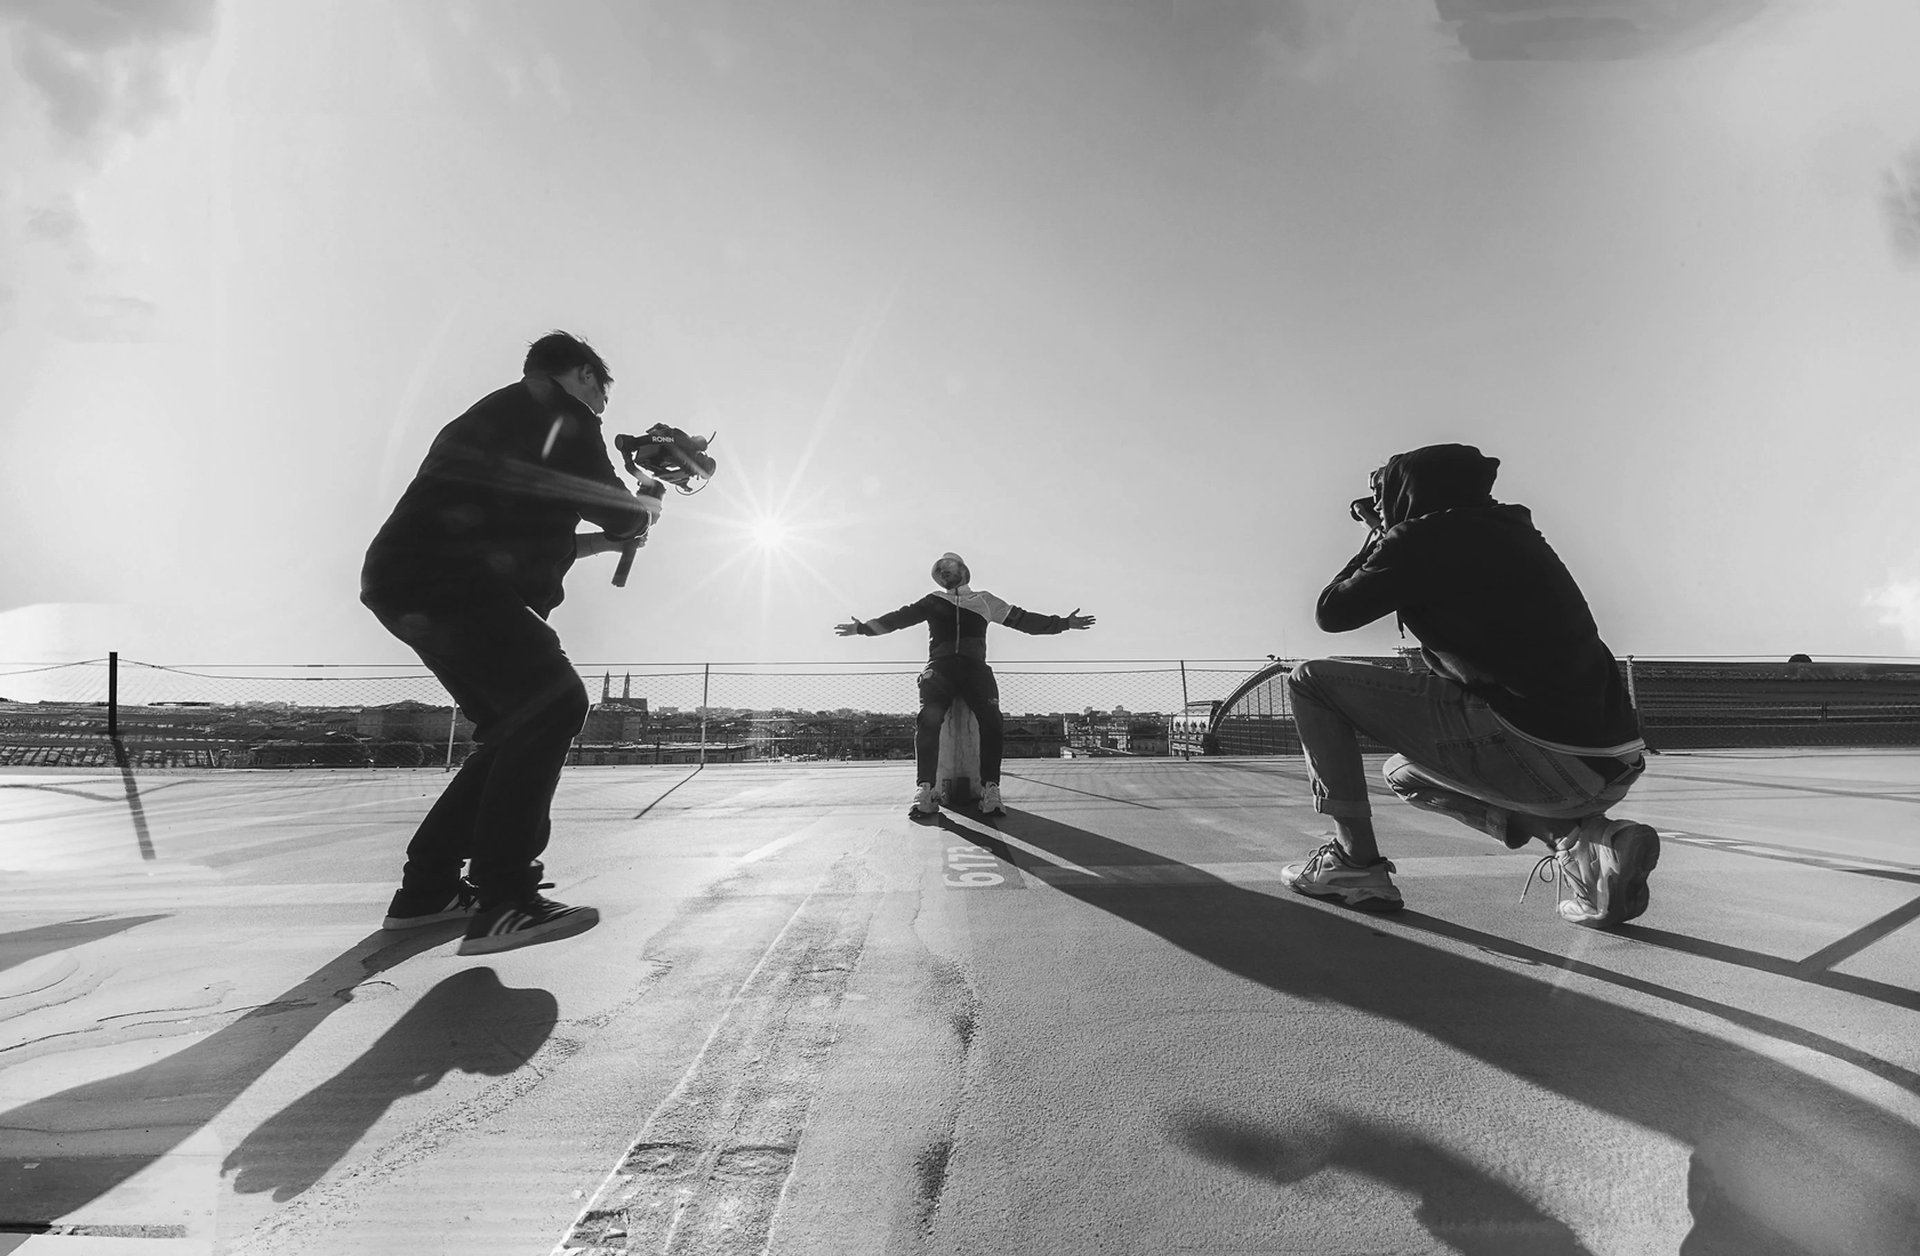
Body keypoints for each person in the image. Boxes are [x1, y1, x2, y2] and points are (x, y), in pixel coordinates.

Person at [361, 331, 657, 955]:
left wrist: (608, 539)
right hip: (450, 582)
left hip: (411, 580)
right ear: (581, 375)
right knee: (554, 702)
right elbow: (613, 508)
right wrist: (641, 511)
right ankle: (503, 899)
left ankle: (428, 892)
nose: (602, 408)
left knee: (514, 722)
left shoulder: (500, 418)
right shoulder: (561, 413)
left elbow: (531, 532)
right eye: (602, 392)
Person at [1279, 444, 1658, 927]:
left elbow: (1331, 612)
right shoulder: (1516, 532)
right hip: (1608, 763)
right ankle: (1582, 844)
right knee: (1405, 774)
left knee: (1310, 680)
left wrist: (1377, 536)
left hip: (1539, 752)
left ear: (1405, 492)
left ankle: (1354, 865)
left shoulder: (1421, 538)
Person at [835, 553, 1094, 816]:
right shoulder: (933, 601)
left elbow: (1024, 620)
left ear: (963, 569)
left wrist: (1063, 623)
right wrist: (862, 629)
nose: (942, 572)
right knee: (928, 719)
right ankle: (925, 789)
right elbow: (898, 619)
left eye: (946, 567)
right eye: (938, 571)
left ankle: (990, 789)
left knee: (992, 720)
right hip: (940, 667)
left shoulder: (985, 601)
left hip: (975, 668)